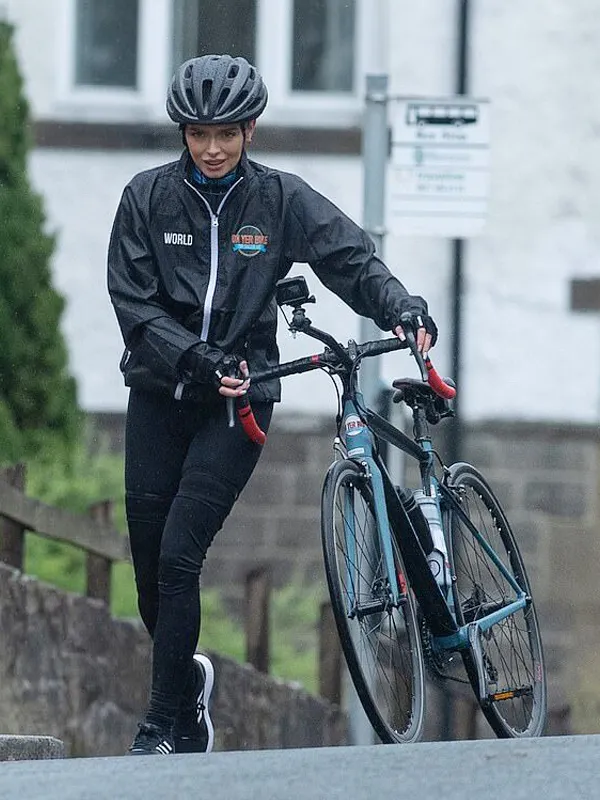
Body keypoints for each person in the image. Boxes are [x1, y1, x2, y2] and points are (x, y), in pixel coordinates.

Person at [107, 53, 438, 756]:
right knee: (149, 579)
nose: (213, 148)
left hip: (241, 405)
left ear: (250, 129)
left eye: (226, 132)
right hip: (159, 395)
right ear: (183, 134)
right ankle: (190, 692)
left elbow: (349, 257)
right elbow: (133, 304)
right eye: (199, 134)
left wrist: (400, 308)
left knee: (177, 558)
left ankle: (159, 728)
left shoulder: (280, 201)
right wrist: (194, 358)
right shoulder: (146, 197)